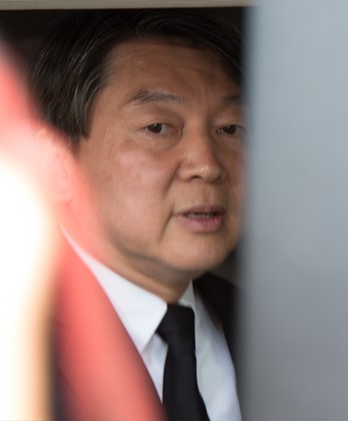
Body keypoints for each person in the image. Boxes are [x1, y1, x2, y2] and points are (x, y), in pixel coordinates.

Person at [28, 9, 245, 420]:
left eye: (230, 129)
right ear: (57, 163)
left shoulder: (284, 332)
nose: (207, 164)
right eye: (158, 127)